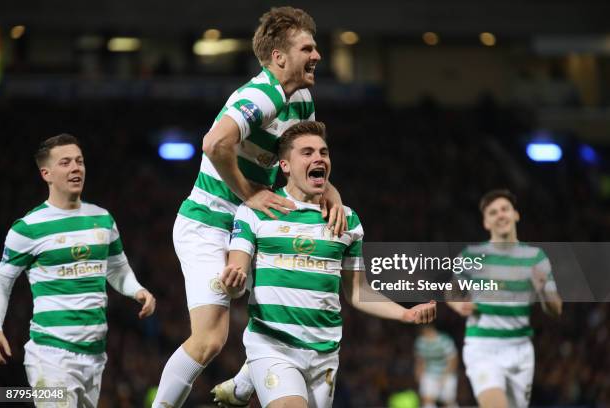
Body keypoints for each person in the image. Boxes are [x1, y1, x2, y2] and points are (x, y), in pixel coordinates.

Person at [153, 7, 347, 408]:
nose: (318, 55)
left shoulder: (303, 98)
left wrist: (332, 193)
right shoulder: (261, 96)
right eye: (307, 48)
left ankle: (243, 385)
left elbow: (303, 159)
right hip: (208, 225)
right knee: (209, 340)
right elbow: (212, 143)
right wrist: (249, 193)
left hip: (254, 225)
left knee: (296, 295)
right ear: (279, 57)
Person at [220, 121, 437, 408]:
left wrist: (405, 314)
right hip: (274, 345)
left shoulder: (347, 220)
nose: (318, 158)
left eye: (323, 152)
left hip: (324, 352)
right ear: (285, 165)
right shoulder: (256, 211)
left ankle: (243, 385)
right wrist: (232, 282)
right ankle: (248, 375)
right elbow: (236, 271)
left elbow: (358, 291)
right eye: (307, 153)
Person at [0, 134, 156, 407]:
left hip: (94, 356)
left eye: (79, 161)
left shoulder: (102, 219)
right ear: (46, 173)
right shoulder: (27, 228)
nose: (76, 168)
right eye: (65, 162)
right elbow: (2, 280)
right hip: (51, 356)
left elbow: (117, 268)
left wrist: (137, 290)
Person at [447, 189, 562, 408]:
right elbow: (451, 291)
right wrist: (457, 304)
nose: (500, 215)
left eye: (504, 209)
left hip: (520, 351)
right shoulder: (471, 255)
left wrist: (544, 292)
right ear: (486, 222)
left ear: (515, 215)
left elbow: (555, 309)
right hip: (483, 347)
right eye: (493, 212)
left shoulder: (536, 258)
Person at [414, 325, 458, 408]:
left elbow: (453, 359)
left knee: (448, 400)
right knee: (427, 399)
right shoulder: (421, 341)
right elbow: (420, 360)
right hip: (429, 372)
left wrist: (445, 376)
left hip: (446, 372)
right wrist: (419, 373)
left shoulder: (444, 340)